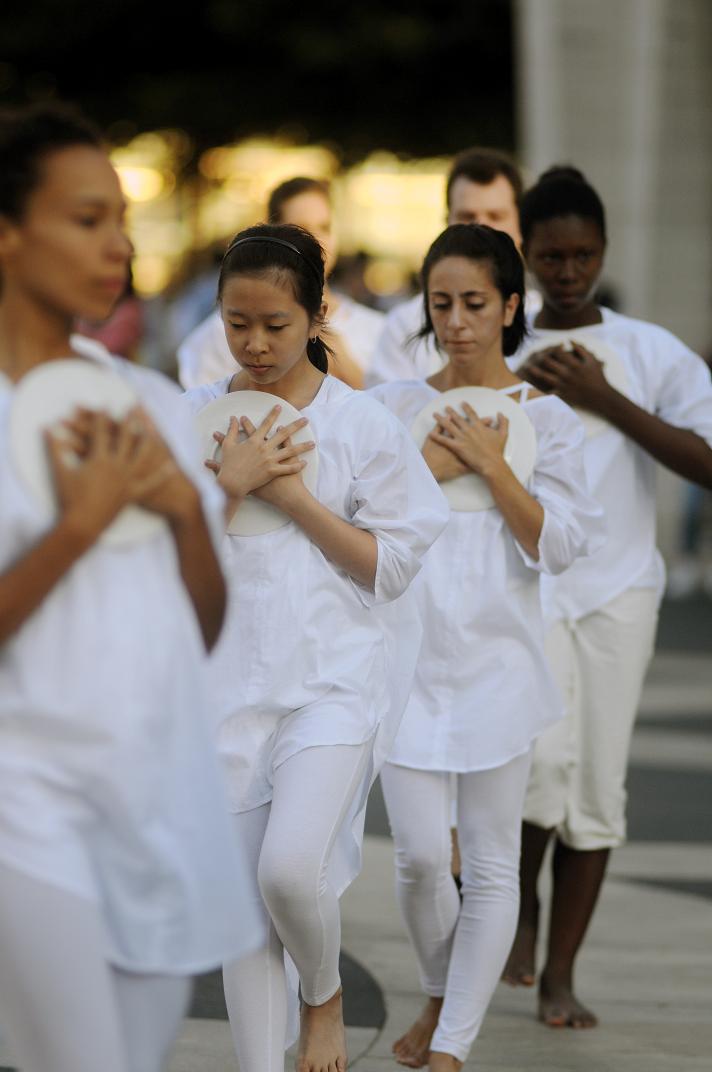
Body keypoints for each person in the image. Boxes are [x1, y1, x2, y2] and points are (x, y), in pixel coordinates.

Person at [0, 103, 256, 1072]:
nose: (118, 244)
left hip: (156, 798)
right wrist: (78, 525)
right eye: (85, 217)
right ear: (8, 235)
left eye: (121, 218)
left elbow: (203, 622)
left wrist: (185, 513)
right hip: (23, 794)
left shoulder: (146, 400)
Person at [182, 222, 448, 1072]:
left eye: (276, 325)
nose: (255, 344)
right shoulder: (191, 422)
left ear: (318, 314)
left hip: (332, 686)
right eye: (236, 323)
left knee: (289, 873)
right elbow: (160, 567)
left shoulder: (362, 424)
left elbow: (395, 562)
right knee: (244, 918)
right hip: (225, 693)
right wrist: (228, 489)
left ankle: (323, 996)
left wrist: (288, 494)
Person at [369, 223, 603, 1072]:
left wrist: (495, 467)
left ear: (511, 306)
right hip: (406, 666)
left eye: (475, 303)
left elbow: (566, 544)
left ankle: (453, 1047)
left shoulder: (549, 420)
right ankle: (441, 992)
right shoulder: (390, 409)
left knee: (494, 862)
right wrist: (435, 466)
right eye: (441, 304)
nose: (458, 321)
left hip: (501, 665)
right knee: (424, 860)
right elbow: (366, 525)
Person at [502, 166, 712, 1028]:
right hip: (531, 590)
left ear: (604, 253)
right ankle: (519, 917)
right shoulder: (502, 350)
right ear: (526, 255)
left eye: (583, 255)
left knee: (597, 786)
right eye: (551, 256)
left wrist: (603, 398)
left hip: (622, 592)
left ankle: (561, 974)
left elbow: (704, 461)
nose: (567, 272)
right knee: (538, 768)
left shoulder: (651, 350)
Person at [177, 177, 384, 389]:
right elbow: (203, 412)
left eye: (324, 227)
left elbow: (393, 412)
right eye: (300, 229)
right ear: (273, 232)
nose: (317, 241)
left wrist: (344, 366)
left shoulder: (377, 329)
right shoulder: (218, 334)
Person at [368, 147, 527, 386]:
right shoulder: (404, 326)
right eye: (467, 216)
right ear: (447, 221)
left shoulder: (542, 320)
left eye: (495, 216)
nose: (482, 228)